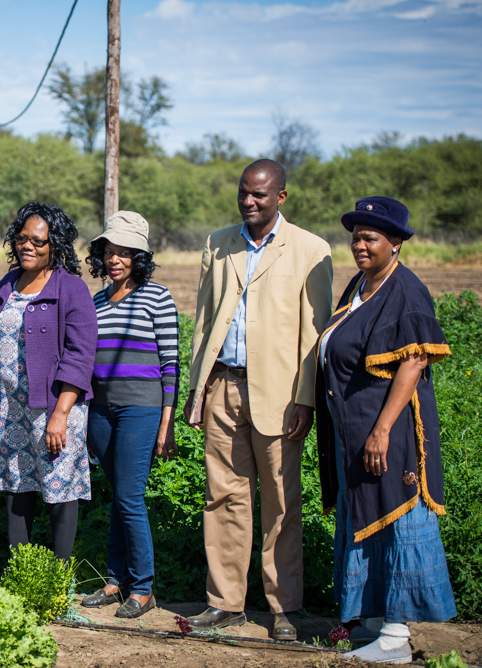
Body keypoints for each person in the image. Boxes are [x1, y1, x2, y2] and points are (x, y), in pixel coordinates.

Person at [184, 159, 333, 640]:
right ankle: (226, 603)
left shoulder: (311, 249)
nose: (249, 202)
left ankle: (283, 607)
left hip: (281, 394)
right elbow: (204, 320)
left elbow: (315, 333)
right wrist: (198, 386)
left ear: (281, 198)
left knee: (282, 503)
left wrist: (306, 400)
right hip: (223, 385)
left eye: (260, 195)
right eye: (244, 192)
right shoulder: (218, 241)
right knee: (223, 495)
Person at [316, 197, 456, 664]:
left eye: (370, 237)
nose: (360, 245)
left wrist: (381, 430)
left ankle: (397, 635)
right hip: (353, 430)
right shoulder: (360, 285)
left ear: (395, 243)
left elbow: (413, 360)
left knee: (399, 515)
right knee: (365, 514)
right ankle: (373, 621)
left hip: (389, 432)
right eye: (356, 237)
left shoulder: (406, 290)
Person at [78, 211, 179, 619]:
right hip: (101, 408)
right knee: (118, 495)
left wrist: (167, 422)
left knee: (130, 497)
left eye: (124, 253)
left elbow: (171, 362)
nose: (114, 260)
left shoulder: (158, 297)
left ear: (139, 257)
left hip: (141, 408)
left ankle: (142, 587)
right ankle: (115, 580)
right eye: (108, 252)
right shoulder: (96, 300)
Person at [0, 202, 97, 562]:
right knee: (18, 489)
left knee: (60, 492)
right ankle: (23, 575)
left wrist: (61, 414)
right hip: (12, 406)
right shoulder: (7, 284)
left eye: (38, 240)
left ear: (56, 246)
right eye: (22, 239)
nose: (28, 246)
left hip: (54, 406)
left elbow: (80, 356)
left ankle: (57, 580)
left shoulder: (71, 289)